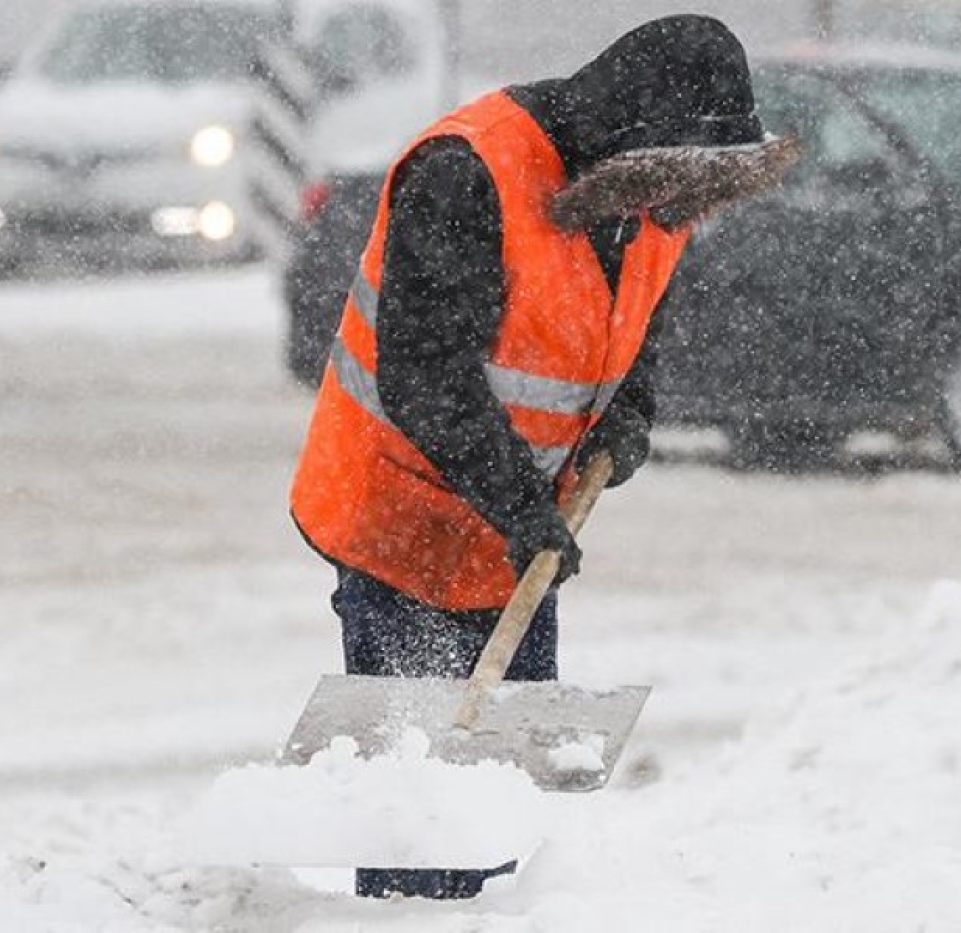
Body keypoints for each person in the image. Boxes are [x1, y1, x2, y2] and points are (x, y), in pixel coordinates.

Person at [290, 14, 767, 900]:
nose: (682, 202)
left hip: (519, 526)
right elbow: (425, 374)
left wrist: (628, 415)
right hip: (399, 510)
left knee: (500, 795)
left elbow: (635, 319)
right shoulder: (469, 171)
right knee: (415, 796)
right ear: (632, 137)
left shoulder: (654, 197)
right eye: (675, 177)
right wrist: (520, 506)